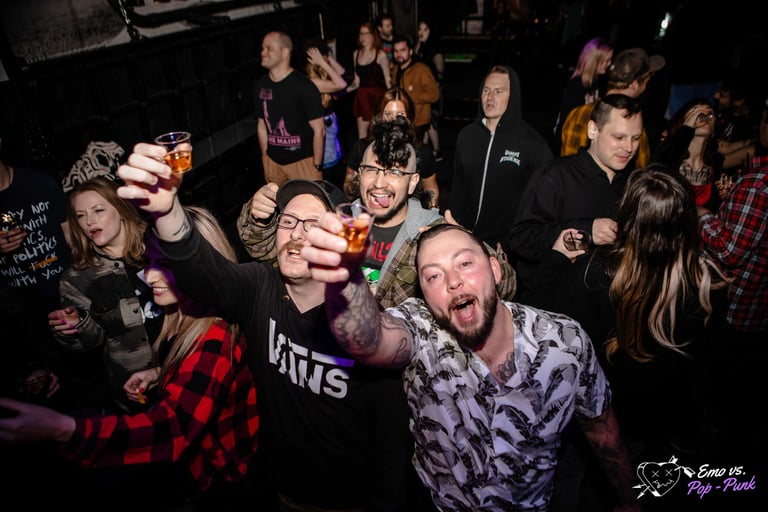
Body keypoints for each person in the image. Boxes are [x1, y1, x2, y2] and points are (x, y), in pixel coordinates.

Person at [115, 149, 419, 511]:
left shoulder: (360, 322)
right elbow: (204, 272)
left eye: (312, 224)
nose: (296, 233)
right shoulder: (260, 286)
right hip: (280, 492)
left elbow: (390, 430)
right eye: (287, 221)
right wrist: (168, 212)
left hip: (351, 503)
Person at [299, 221, 640, 512]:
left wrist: (629, 500)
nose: (453, 282)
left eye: (464, 263)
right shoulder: (421, 329)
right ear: (423, 294)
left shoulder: (565, 343)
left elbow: (602, 430)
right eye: (433, 276)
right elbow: (369, 340)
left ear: (495, 269)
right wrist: (345, 280)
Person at [0, 206, 259, 508]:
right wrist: (162, 373)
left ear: (202, 265)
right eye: (150, 262)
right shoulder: (182, 317)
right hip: (201, 470)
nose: (148, 275)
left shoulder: (215, 334)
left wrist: (64, 428)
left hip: (224, 478)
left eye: (164, 264)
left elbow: (173, 430)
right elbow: (207, 377)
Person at [237, 118, 517, 311]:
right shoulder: (340, 220)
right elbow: (263, 249)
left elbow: (505, 287)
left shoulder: (432, 234)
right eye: (372, 170)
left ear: (413, 182)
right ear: (359, 174)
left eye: (394, 172)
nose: (380, 183)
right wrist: (258, 214)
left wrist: (471, 247)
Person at [509, 93, 643, 303]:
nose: (629, 148)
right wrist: (586, 231)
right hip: (556, 308)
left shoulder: (633, 183)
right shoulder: (555, 175)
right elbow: (521, 238)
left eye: (635, 138)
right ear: (593, 130)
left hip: (611, 307)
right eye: (619, 137)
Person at [48, 176, 161, 414]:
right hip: (136, 390)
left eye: (98, 210)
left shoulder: (159, 245)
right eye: (80, 215)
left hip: (186, 366)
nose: (89, 221)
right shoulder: (78, 277)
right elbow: (88, 342)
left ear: (121, 208)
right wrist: (76, 325)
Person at [698, 160, 767, 470]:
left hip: (736, 304)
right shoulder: (754, 177)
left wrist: (703, 215)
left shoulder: (759, 183)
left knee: (723, 391)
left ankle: (720, 460)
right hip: (756, 305)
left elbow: (729, 250)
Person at [449, 64, 554, 260]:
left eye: (498, 91)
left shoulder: (532, 143)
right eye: (486, 90)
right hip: (466, 241)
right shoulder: (467, 136)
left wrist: (515, 241)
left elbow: (543, 204)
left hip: (506, 249)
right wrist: (451, 226)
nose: (490, 97)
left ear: (512, 96)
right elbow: (458, 190)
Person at [560, 47, 665, 169]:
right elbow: (641, 173)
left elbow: (565, 164)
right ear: (635, 84)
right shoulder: (633, 125)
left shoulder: (577, 113)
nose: (629, 147)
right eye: (646, 82)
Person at [343, 87, 440, 208]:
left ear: (409, 117)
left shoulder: (421, 152)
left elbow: (431, 188)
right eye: (388, 114)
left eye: (400, 114)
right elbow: (348, 185)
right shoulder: (362, 148)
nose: (394, 120)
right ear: (379, 116)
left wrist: (429, 214)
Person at [255, 30, 326, 185]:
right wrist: (265, 158)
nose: (263, 53)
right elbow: (261, 125)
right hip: (273, 163)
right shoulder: (260, 85)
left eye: (269, 48)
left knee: (309, 200)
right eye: (262, 48)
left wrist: (316, 165)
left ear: (285, 52)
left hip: (303, 163)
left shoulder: (303, 86)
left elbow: (319, 130)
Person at [653, 98, 726, 211]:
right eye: (696, 112)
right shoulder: (669, 154)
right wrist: (686, 128)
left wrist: (725, 197)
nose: (704, 117)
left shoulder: (716, 163)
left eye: (710, 114)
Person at [552, 37, 613, 148]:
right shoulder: (577, 84)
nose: (609, 63)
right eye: (607, 60)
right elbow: (567, 119)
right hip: (567, 140)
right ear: (595, 60)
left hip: (580, 139)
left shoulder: (595, 81)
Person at [303, 37, 347, 186]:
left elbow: (341, 72)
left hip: (330, 133)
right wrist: (322, 62)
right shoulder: (313, 82)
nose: (327, 58)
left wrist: (326, 59)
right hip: (324, 134)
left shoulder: (322, 75)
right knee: (330, 179)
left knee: (335, 174)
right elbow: (341, 84)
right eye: (325, 55)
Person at [390, 34, 440, 141]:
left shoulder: (421, 69)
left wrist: (411, 95)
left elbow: (435, 95)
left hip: (418, 121)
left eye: (402, 50)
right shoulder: (395, 70)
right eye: (396, 51)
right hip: (401, 119)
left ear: (410, 51)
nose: (399, 54)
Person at [347, 21, 391, 140]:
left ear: (373, 35)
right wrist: (341, 92)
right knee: (362, 137)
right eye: (361, 33)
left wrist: (393, 99)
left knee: (377, 135)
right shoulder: (356, 54)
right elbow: (356, 82)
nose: (363, 37)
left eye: (366, 33)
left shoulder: (380, 55)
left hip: (376, 97)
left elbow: (388, 80)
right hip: (362, 97)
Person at [413, 18, 445, 160]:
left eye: (425, 29)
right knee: (425, 121)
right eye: (420, 29)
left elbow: (440, 72)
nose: (421, 32)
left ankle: (437, 150)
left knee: (431, 121)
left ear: (431, 31)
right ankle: (425, 151)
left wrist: (435, 86)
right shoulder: (419, 47)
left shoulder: (434, 49)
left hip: (432, 91)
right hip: (421, 91)